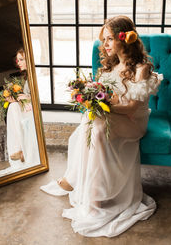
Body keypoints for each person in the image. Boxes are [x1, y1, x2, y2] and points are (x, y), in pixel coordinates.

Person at [40, 15, 163, 237]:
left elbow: (131, 109)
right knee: (92, 124)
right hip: (115, 116)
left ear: (124, 38)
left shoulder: (141, 68)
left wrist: (102, 105)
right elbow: (111, 98)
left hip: (133, 121)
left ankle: (80, 184)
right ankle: (94, 192)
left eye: (108, 39)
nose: (104, 45)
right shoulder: (110, 66)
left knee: (95, 123)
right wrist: (95, 103)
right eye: (103, 39)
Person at [6, 48, 40, 168]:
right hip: (27, 107)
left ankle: (21, 148)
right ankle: (18, 147)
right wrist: (17, 98)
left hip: (34, 111)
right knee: (13, 106)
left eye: (21, 59)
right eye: (17, 60)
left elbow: (36, 98)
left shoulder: (35, 76)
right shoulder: (27, 77)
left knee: (14, 107)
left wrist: (25, 97)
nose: (18, 62)